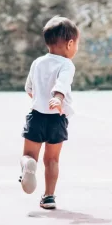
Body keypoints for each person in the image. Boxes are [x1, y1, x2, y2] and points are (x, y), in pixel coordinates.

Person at [19, 16, 79, 210]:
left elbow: (29, 88)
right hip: (57, 119)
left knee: (29, 154)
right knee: (52, 159)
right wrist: (58, 98)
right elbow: (62, 84)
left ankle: (28, 166)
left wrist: (41, 99)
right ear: (70, 43)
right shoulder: (67, 64)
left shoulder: (37, 62)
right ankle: (49, 197)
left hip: (37, 116)